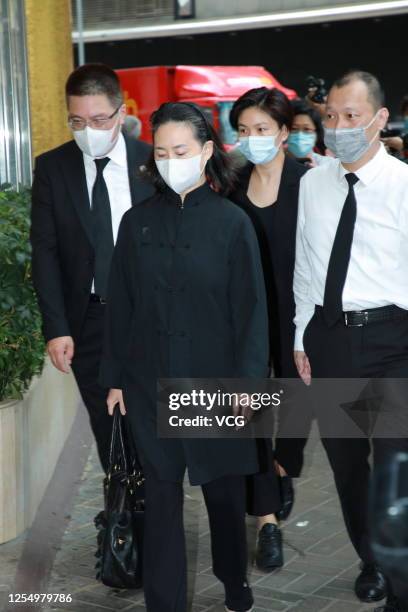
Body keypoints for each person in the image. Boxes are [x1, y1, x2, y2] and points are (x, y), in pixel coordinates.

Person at [100, 102, 269, 612]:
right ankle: (165, 602)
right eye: (163, 151)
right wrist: (114, 380)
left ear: (207, 151)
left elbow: (252, 312)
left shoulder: (233, 223)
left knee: (221, 493)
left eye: (182, 150)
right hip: (149, 380)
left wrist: (246, 385)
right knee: (162, 497)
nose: (172, 160)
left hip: (213, 382)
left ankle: (233, 578)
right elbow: (121, 306)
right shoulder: (136, 224)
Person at [294, 70, 408, 612]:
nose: (338, 126)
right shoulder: (313, 182)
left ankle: (399, 581)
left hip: (394, 342)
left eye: (351, 116)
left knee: (394, 467)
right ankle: (371, 560)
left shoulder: (404, 186)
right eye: (331, 116)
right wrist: (300, 336)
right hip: (330, 338)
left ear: (380, 119)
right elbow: (305, 267)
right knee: (345, 464)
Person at [30, 63, 153, 472]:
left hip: (153, 316)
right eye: (77, 121)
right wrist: (57, 328)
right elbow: (44, 251)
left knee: (154, 426)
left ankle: (153, 517)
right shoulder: (53, 168)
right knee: (108, 426)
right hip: (92, 321)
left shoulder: (153, 163)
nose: (89, 130)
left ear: (121, 113)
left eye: (99, 119)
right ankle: (124, 517)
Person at [228, 87, 311, 573]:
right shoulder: (232, 187)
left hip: (300, 318)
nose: (252, 139)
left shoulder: (309, 185)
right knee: (251, 416)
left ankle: (284, 468)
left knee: (298, 407)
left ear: (283, 133)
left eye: (261, 130)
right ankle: (266, 522)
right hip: (248, 323)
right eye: (243, 131)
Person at [286, 99, 333, 167]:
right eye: (294, 129)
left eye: (307, 129)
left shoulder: (328, 165)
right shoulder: (275, 164)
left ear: (316, 134)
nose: (300, 135)